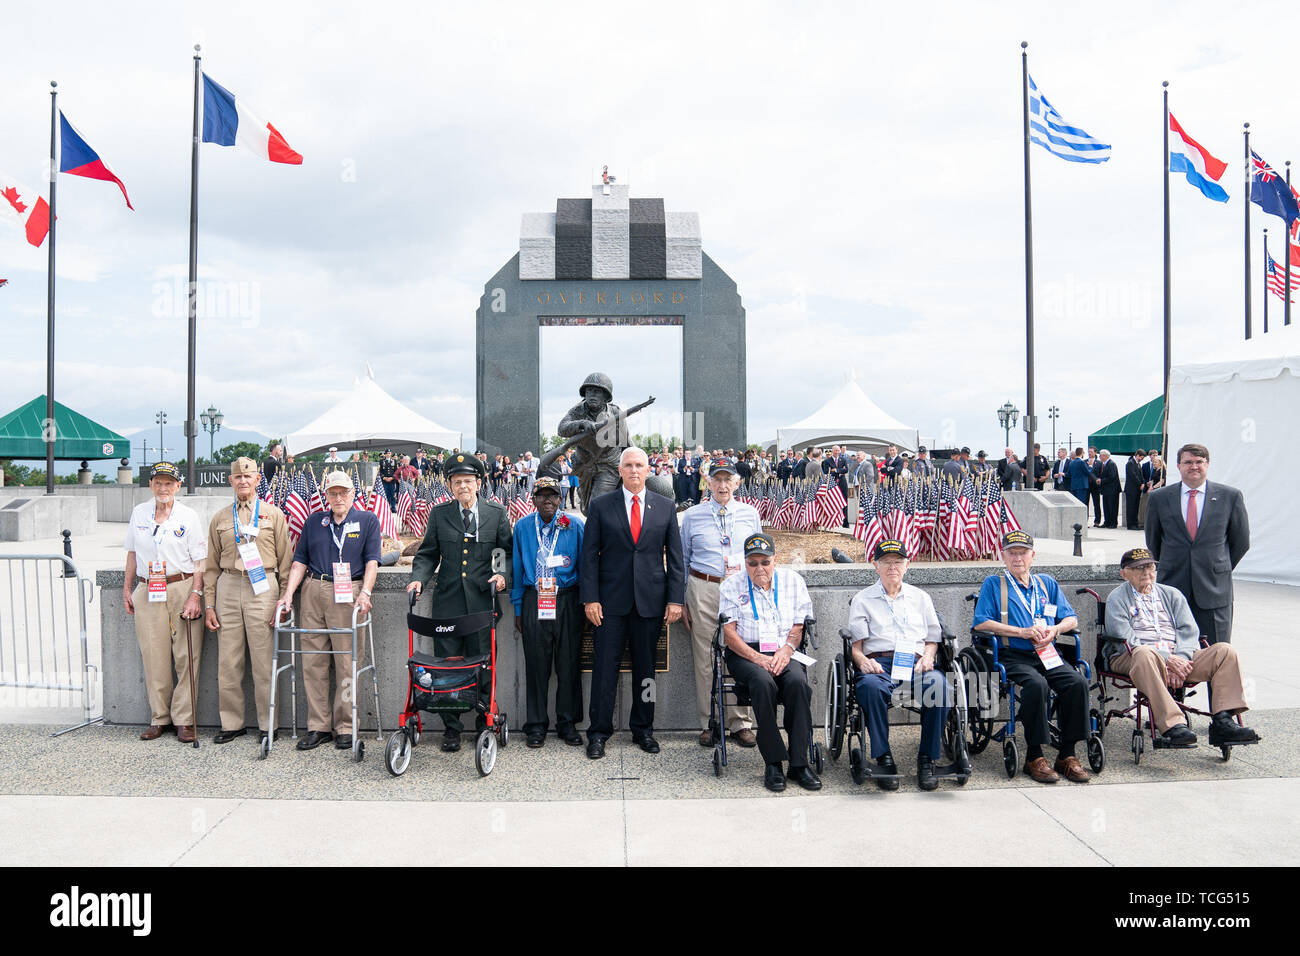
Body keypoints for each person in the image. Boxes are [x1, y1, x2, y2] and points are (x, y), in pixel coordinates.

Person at [580, 447, 684, 759]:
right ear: (621, 470)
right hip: (609, 604)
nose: (634, 470)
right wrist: (590, 598)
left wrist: (675, 600)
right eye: (628, 465)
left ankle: (643, 729)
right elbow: (589, 557)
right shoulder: (600, 506)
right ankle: (598, 732)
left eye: (639, 465)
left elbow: (676, 559)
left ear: (649, 469)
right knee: (604, 669)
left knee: (646, 670)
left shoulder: (665, 507)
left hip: (650, 603)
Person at [407, 453, 512, 750]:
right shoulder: (440, 514)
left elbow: (504, 551)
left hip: (482, 602)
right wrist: (418, 578)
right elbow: (427, 554)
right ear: (450, 485)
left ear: (478, 483)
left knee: (484, 663)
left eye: (467, 481)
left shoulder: (496, 513)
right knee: (448, 666)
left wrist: (501, 576)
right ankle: (451, 727)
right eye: (457, 482)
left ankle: (484, 722)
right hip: (448, 603)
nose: (462, 486)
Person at [1104, 548, 1258, 748]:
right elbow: (1125, 638)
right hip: (1133, 657)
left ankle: (1223, 721)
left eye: (1150, 566)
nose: (1146, 573)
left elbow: (1188, 629)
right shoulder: (1117, 598)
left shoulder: (1171, 594)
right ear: (1123, 573)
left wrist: (1181, 659)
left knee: (1224, 651)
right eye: (1138, 568)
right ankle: (1172, 724)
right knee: (1144, 653)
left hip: (1179, 656)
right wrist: (1167, 660)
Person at [972, 530, 1090, 784]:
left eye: (1023, 552)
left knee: (1077, 682)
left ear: (1032, 555)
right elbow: (981, 623)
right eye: (1012, 553)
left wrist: (1056, 629)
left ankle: (1067, 754)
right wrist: (1021, 632)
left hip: (1047, 652)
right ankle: (1034, 757)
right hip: (1012, 654)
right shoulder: (994, 584)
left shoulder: (1047, 583)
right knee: (1037, 685)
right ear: (1002, 556)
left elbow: (1071, 619)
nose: (1018, 558)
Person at [277, 471, 381, 751]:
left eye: (343, 493)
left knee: (347, 662)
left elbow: (373, 561)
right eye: (333, 493)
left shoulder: (367, 520)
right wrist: (287, 595)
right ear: (326, 495)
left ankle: (346, 725)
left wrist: (366, 592)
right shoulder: (314, 522)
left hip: (348, 592)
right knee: (313, 661)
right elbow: (299, 561)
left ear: (352, 494)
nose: (338, 498)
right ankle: (318, 725)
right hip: (314, 589)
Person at [717, 533, 820, 793]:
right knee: (763, 683)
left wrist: (786, 651)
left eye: (765, 562)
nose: (759, 568)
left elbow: (798, 625)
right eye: (752, 563)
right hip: (745, 651)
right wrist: (758, 658)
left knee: (797, 682)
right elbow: (729, 634)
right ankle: (773, 762)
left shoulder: (793, 582)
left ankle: (799, 763)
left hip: (784, 648)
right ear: (745, 563)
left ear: (775, 560)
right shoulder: (731, 586)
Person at [203, 457, 293, 747]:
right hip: (228, 585)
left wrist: (283, 600)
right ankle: (232, 723)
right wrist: (209, 604)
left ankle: (268, 725)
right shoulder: (219, 518)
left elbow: (286, 562)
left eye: (248, 476)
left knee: (264, 660)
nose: (243, 481)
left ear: (257, 480)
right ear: (231, 481)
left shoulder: (273, 515)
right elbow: (211, 567)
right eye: (238, 477)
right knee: (228, 661)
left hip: (262, 586)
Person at [848, 539, 950, 791]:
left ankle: (927, 759)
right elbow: (856, 647)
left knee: (941, 687)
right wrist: (862, 661)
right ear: (875, 566)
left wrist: (928, 656)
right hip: (879, 662)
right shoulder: (862, 599)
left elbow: (932, 639)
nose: (892, 567)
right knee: (870, 688)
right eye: (886, 562)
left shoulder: (921, 597)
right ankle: (884, 757)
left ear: (907, 565)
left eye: (898, 562)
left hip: (916, 663)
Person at [122, 463, 208, 743]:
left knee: (187, 655)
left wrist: (196, 594)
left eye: (169, 483)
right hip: (149, 589)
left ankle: (185, 719)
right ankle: (159, 717)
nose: (163, 488)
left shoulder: (189, 516)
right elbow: (133, 554)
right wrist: (127, 588)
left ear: (178, 486)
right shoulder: (139, 513)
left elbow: (200, 562)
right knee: (154, 655)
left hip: (181, 586)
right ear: (150, 485)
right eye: (158, 482)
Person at [679, 457, 761, 749]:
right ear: (708, 483)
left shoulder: (750, 514)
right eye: (717, 479)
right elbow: (683, 561)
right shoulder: (692, 516)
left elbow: (759, 559)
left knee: (740, 653)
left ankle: (741, 722)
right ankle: (709, 722)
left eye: (728, 479)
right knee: (704, 658)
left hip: (739, 590)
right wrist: (683, 600)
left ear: (737, 483)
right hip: (704, 587)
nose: (723, 485)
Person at [1145, 443, 1249, 645]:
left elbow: (1241, 542)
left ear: (1208, 464)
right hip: (1173, 586)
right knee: (1175, 654)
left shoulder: (1230, 497)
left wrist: (1217, 565)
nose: (1194, 466)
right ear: (1178, 466)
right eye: (1188, 462)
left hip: (1214, 589)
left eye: (1199, 462)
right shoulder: (1159, 498)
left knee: (1217, 654)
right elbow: (1153, 541)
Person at [511, 477, 585, 747]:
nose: (547, 501)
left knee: (568, 663)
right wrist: (518, 607)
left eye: (552, 495)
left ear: (560, 498)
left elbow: (587, 565)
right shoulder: (521, 527)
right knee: (536, 664)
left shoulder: (574, 525)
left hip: (567, 599)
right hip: (534, 599)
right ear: (533, 499)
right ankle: (536, 725)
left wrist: (586, 603)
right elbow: (517, 570)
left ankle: (567, 722)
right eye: (541, 496)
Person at [1098, 450, 1121, 528]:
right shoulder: (1104, 464)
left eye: (1100, 455)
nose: (1099, 457)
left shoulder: (1111, 464)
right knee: (1106, 507)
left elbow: (1112, 476)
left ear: (1105, 456)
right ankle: (1107, 522)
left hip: (1112, 490)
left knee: (1112, 507)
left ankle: (1113, 523)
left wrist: (1102, 480)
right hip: (1106, 490)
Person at [1124, 451, 1145, 529]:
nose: (1141, 460)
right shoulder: (1130, 463)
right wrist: (1140, 484)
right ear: (1137, 455)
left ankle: (1135, 523)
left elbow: (1140, 475)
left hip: (1137, 489)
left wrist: (1143, 483)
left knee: (1136, 507)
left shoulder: (1138, 464)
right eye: (1141, 458)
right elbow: (1133, 476)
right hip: (1131, 489)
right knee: (1131, 507)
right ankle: (1130, 524)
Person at [1086, 447, 1104, 527]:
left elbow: (1101, 474)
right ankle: (1085, 520)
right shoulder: (1084, 462)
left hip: (1095, 486)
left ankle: (1097, 521)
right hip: (1086, 486)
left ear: (1095, 453)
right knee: (1085, 504)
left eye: (1091, 452)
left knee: (1096, 504)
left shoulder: (1099, 463)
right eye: (1088, 452)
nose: (1089, 453)